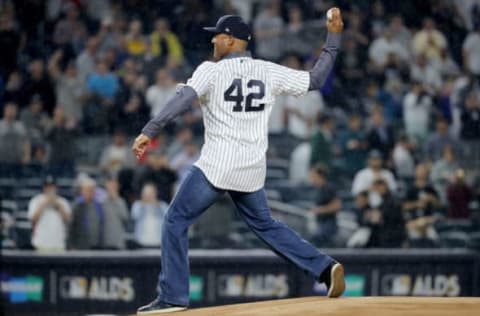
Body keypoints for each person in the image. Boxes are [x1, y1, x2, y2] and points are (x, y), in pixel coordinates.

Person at [132, 11, 345, 314]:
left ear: (230, 39)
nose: (213, 38)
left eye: (217, 34)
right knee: (266, 225)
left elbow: (181, 101)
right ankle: (325, 268)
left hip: (217, 166)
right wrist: (333, 37)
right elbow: (317, 79)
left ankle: (172, 297)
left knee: (175, 220)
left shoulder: (211, 70)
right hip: (251, 168)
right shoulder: (267, 70)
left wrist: (149, 131)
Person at [27, 175, 71, 251]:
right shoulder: (36, 200)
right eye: (47, 187)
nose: (50, 189)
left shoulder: (62, 202)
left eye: (52, 187)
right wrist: (43, 204)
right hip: (41, 243)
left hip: (59, 244)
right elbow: (33, 219)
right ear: (44, 188)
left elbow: (68, 220)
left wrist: (59, 206)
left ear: (56, 188)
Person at [309, 164, 342, 247]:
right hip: (321, 223)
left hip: (329, 224)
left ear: (320, 175)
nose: (311, 178)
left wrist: (320, 210)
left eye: (313, 175)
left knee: (317, 239)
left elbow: (337, 205)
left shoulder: (328, 187)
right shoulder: (319, 189)